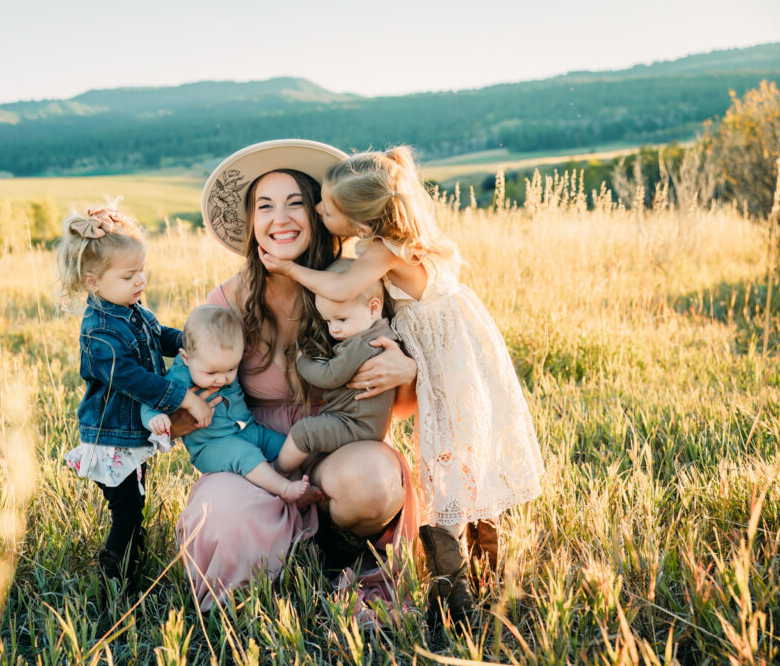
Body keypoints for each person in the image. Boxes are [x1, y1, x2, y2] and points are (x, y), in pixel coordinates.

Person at [259, 145, 546, 621]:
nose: (319, 211)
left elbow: (338, 289)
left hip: (447, 365)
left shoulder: (382, 249)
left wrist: (290, 268)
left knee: (447, 462)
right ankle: (482, 574)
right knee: (462, 458)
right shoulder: (408, 240)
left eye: (327, 207)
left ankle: (453, 594)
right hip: (459, 359)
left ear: (361, 220)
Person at [175, 140, 419, 615]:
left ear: (318, 214)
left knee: (373, 482)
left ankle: (336, 552)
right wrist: (176, 407)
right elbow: (188, 401)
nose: (280, 218)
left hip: (340, 445)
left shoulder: (356, 286)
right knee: (218, 516)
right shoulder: (223, 304)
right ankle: (278, 565)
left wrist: (407, 371)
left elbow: (404, 405)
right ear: (251, 222)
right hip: (259, 461)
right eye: (265, 206)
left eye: (296, 204)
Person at [57, 204, 214, 590]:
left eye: (142, 270)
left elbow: (159, 335)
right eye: (129, 275)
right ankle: (117, 575)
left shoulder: (132, 309)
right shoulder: (98, 333)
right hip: (111, 436)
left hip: (130, 436)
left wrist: (189, 341)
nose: (140, 280)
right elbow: (132, 379)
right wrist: (183, 398)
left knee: (133, 503)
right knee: (125, 509)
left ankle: (131, 550)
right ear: (94, 282)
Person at [141, 305, 315, 503]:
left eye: (231, 370)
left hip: (249, 431)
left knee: (283, 446)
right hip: (211, 445)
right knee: (244, 454)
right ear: (186, 358)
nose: (222, 379)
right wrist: (155, 417)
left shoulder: (218, 362)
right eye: (212, 373)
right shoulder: (178, 378)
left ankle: (297, 494)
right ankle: (284, 489)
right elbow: (149, 402)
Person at [274, 258, 399, 473]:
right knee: (314, 444)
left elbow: (329, 376)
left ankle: (278, 473)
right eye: (328, 322)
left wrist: (302, 361)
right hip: (364, 424)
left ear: (373, 308)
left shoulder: (362, 344)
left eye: (341, 319)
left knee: (304, 433)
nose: (334, 330)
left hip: (354, 425)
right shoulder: (384, 333)